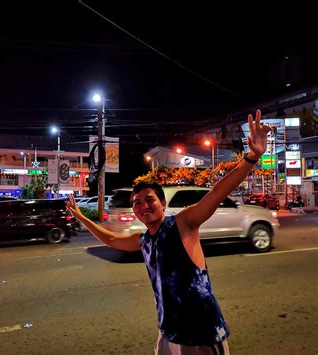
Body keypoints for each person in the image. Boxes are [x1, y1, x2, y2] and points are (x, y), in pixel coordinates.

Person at [66, 110, 272, 354]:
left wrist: (252, 157)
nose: (143, 206)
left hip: (200, 333)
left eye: (149, 200)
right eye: (137, 203)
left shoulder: (183, 223)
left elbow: (217, 193)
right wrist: (80, 217)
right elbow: (111, 239)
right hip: (169, 332)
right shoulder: (143, 240)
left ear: (163, 204)